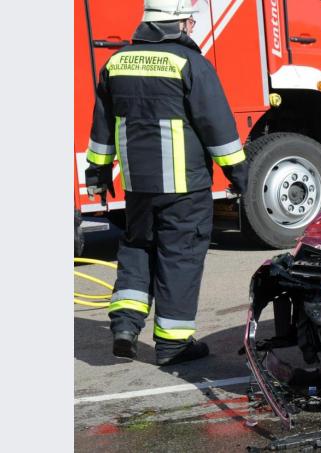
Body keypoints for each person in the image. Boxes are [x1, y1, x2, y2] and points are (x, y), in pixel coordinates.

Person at [85, 0, 249, 366]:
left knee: (137, 248)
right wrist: (239, 174)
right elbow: (217, 126)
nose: (192, 26)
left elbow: (102, 128)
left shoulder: (116, 62)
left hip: (137, 186)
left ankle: (125, 325)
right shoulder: (190, 63)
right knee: (180, 256)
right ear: (178, 23)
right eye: (190, 20)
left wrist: (97, 173)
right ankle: (173, 343)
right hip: (184, 188)